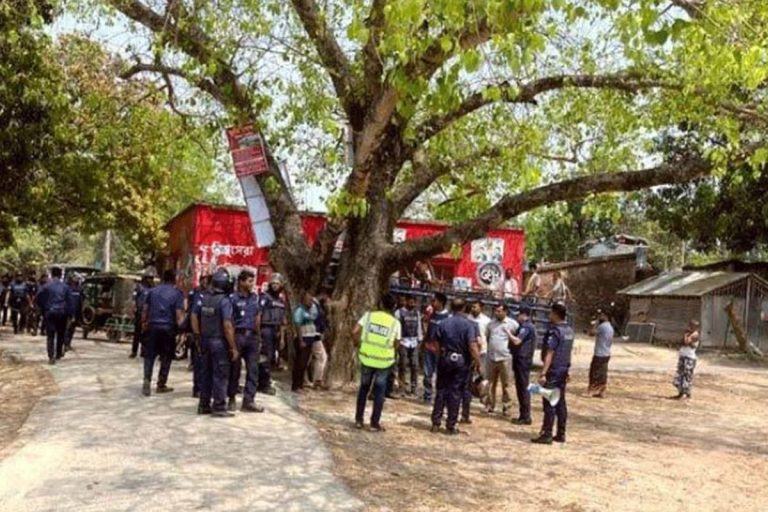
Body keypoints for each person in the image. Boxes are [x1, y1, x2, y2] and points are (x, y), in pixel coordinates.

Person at [430, 298, 481, 435]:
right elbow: (472, 345)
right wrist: (478, 362)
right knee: (455, 392)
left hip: (445, 358)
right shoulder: (468, 325)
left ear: (451, 308)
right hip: (461, 361)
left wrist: (440, 354)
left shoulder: (443, 323)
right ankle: (450, 425)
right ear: (464, 308)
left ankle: (436, 422)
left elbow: (435, 341)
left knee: (441, 391)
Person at [352, 294, 401, 431]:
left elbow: (354, 331)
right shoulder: (395, 323)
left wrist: (358, 344)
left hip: (366, 357)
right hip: (384, 362)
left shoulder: (368, 316)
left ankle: (359, 420)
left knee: (363, 388)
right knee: (380, 392)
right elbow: (397, 343)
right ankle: (374, 423)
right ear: (394, 307)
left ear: (380, 304)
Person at [194, 269, 239, 417]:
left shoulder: (205, 298)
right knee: (220, 375)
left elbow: (195, 317)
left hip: (205, 340)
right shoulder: (224, 301)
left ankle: (203, 405)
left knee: (206, 374)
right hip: (219, 342)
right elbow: (227, 325)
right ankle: (219, 407)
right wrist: (233, 347)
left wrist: (198, 336)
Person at [532, 302, 574, 444]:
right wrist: (567, 369)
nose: (549, 315)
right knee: (560, 402)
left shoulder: (555, 331)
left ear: (555, 314)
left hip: (553, 370)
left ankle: (547, 433)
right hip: (563, 369)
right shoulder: (569, 330)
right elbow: (568, 352)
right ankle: (561, 433)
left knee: (549, 402)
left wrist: (543, 373)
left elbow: (550, 353)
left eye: (551, 312)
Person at [141, 269, 184, 396]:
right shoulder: (177, 293)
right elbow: (179, 314)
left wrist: (144, 323)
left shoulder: (152, 291)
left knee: (149, 356)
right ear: (173, 279)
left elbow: (145, 309)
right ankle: (161, 383)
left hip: (153, 326)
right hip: (168, 328)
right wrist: (182, 331)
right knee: (166, 356)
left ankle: (147, 380)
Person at [226, 270, 263, 412]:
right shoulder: (232, 298)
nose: (252, 284)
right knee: (234, 369)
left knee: (253, 370)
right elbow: (229, 321)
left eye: (253, 281)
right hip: (238, 336)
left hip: (252, 337)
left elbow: (257, 317)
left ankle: (249, 400)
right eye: (249, 281)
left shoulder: (255, 298)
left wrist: (259, 337)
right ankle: (231, 398)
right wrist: (231, 343)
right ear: (241, 282)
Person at [256, 273, 287, 395]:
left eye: (277, 283)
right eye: (273, 283)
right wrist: (258, 333)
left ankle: (264, 381)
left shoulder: (281, 300)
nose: (275, 285)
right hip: (266, 329)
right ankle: (263, 383)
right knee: (265, 357)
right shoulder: (265, 297)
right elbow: (259, 315)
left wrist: (282, 338)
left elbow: (283, 320)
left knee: (272, 358)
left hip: (276, 330)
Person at [485, 304, 518, 415]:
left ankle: (507, 407)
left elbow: (517, 338)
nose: (497, 313)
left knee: (507, 384)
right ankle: (490, 405)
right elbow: (488, 337)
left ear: (505, 312)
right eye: (496, 311)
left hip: (505, 358)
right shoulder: (491, 324)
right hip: (492, 357)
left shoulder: (512, 324)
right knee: (490, 383)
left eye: (499, 311)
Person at [35, 268, 71, 364]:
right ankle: (58, 353)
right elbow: (69, 301)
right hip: (62, 312)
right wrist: (70, 314)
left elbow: (38, 298)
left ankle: (51, 356)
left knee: (50, 335)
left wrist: (43, 308)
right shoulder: (65, 287)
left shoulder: (46, 286)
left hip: (50, 312)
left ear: (51, 274)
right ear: (61, 274)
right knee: (60, 334)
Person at [510, 306, 536, 425]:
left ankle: (525, 416)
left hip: (523, 360)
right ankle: (523, 415)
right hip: (522, 360)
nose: (517, 317)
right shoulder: (525, 326)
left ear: (524, 315)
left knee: (523, 387)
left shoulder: (526, 327)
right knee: (521, 387)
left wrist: (508, 333)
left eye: (519, 315)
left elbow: (517, 341)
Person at [423, 292, 450, 405]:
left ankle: (440, 397)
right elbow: (425, 325)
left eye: (434, 301)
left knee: (440, 374)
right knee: (427, 373)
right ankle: (427, 395)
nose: (432, 303)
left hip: (440, 350)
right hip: (428, 348)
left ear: (441, 302)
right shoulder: (431, 314)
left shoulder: (448, 317)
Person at [187, 274, 210, 396]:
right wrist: (195, 333)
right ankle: (198, 388)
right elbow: (193, 313)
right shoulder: (197, 294)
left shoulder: (212, 296)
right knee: (199, 361)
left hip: (210, 333)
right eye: (204, 281)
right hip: (199, 331)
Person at [395, 295, 422, 396]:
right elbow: (396, 326)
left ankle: (413, 387)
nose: (412, 304)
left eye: (414, 302)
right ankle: (402, 387)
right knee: (403, 365)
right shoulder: (399, 312)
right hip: (403, 341)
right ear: (406, 301)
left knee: (415, 365)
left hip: (414, 342)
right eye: (410, 302)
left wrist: (420, 339)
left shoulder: (417, 313)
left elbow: (419, 326)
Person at [292, 291, 319, 393]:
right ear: (303, 300)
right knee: (300, 363)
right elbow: (298, 326)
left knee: (304, 363)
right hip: (302, 338)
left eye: (311, 300)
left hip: (309, 338)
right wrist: (301, 340)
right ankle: (296, 386)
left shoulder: (308, 310)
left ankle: (301, 384)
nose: (310, 302)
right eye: (308, 300)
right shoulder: (300, 310)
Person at [587, 309, 614, 398]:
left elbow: (591, 333)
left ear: (606, 316)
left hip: (600, 353)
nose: (600, 316)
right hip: (607, 352)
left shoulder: (602, 326)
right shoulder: (610, 327)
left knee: (595, 372)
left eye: (602, 315)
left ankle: (593, 390)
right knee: (603, 373)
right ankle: (601, 391)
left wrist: (596, 323)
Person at [672, 320, 700, 400]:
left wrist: (686, 335)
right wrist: (685, 336)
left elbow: (687, 342)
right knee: (680, 375)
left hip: (689, 358)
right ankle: (680, 393)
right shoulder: (688, 334)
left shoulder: (695, 335)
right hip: (683, 356)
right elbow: (681, 342)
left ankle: (687, 394)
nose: (690, 327)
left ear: (696, 327)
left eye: (692, 326)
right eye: (690, 325)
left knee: (686, 376)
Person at [130, 273, 154, 358]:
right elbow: (134, 300)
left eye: (151, 278)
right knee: (137, 332)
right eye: (149, 278)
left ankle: (143, 351)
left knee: (146, 333)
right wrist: (133, 310)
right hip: (139, 312)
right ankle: (134, 351)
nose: (150, 280)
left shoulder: (152, 289)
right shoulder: (139, 287)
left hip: (148, 313)